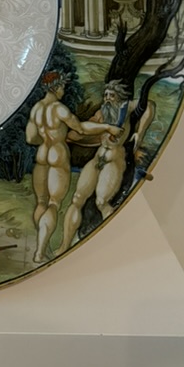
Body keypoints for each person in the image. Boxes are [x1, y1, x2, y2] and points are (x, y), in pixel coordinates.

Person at [57, 80, 155, 255]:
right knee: (77, 198)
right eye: (106, 95)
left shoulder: (126, 107)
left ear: (119, 97)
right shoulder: (101, 113)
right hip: (97, 159)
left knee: (102, 202)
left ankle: (112, 246)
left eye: (112, 95)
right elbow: (79, 132)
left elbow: (150, 105)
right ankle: (64, 247)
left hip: (114, 160)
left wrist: (139, 134)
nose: (108, 99)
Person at [26, 71, 114, 263]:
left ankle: (42, 247)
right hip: (57, 154)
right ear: (56, 87)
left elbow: (31, 138)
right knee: (53, 203)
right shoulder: (59, 109)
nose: (63, 91)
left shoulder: (36, 109)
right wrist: (107, 127)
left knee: (41, 201)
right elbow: (81, 128)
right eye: (62, 87)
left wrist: (46, 139)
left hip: (42, 154)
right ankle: (40, 252)